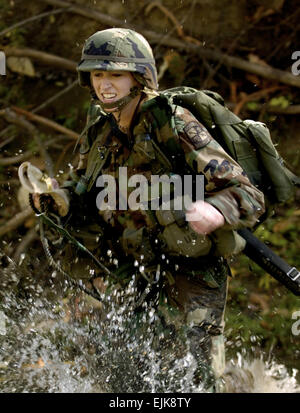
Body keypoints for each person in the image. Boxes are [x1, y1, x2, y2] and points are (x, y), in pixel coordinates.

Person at [33, 28, 265, 392]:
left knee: (198, 375)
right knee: (124, 372)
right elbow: (83, 186)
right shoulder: (100, 130)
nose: (105, 85)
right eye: (97, 75)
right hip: (134, 266)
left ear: (139, 77)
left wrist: (216, 211)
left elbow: (246, 193)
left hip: (191, 267)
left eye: (115, 74)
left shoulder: (174, 124)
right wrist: (57, 199)